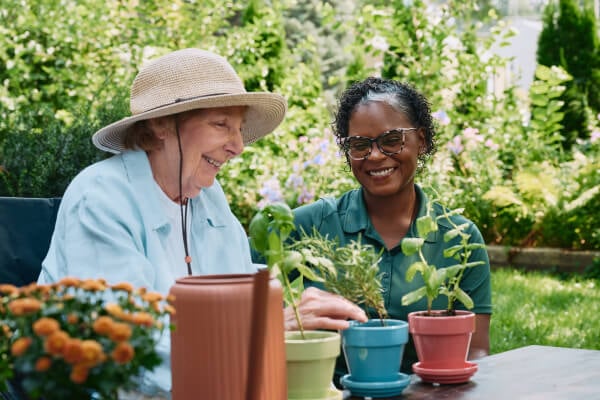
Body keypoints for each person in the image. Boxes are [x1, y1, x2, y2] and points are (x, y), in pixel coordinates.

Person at [37, 48, 366, 398]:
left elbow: (240, 303)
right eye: (221, 124)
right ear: (162, 125)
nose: (238, 146)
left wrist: (289, 318)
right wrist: (266, 334)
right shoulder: (102, 197)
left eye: (239, 129)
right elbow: (129, 345)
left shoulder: (207, 196)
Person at [290, 77, 492, 383]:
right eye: (359, 144)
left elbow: (476, 352)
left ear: (421, 140)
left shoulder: (460, 239)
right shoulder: (305, 226)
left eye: (391, 139)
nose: (375, 155)